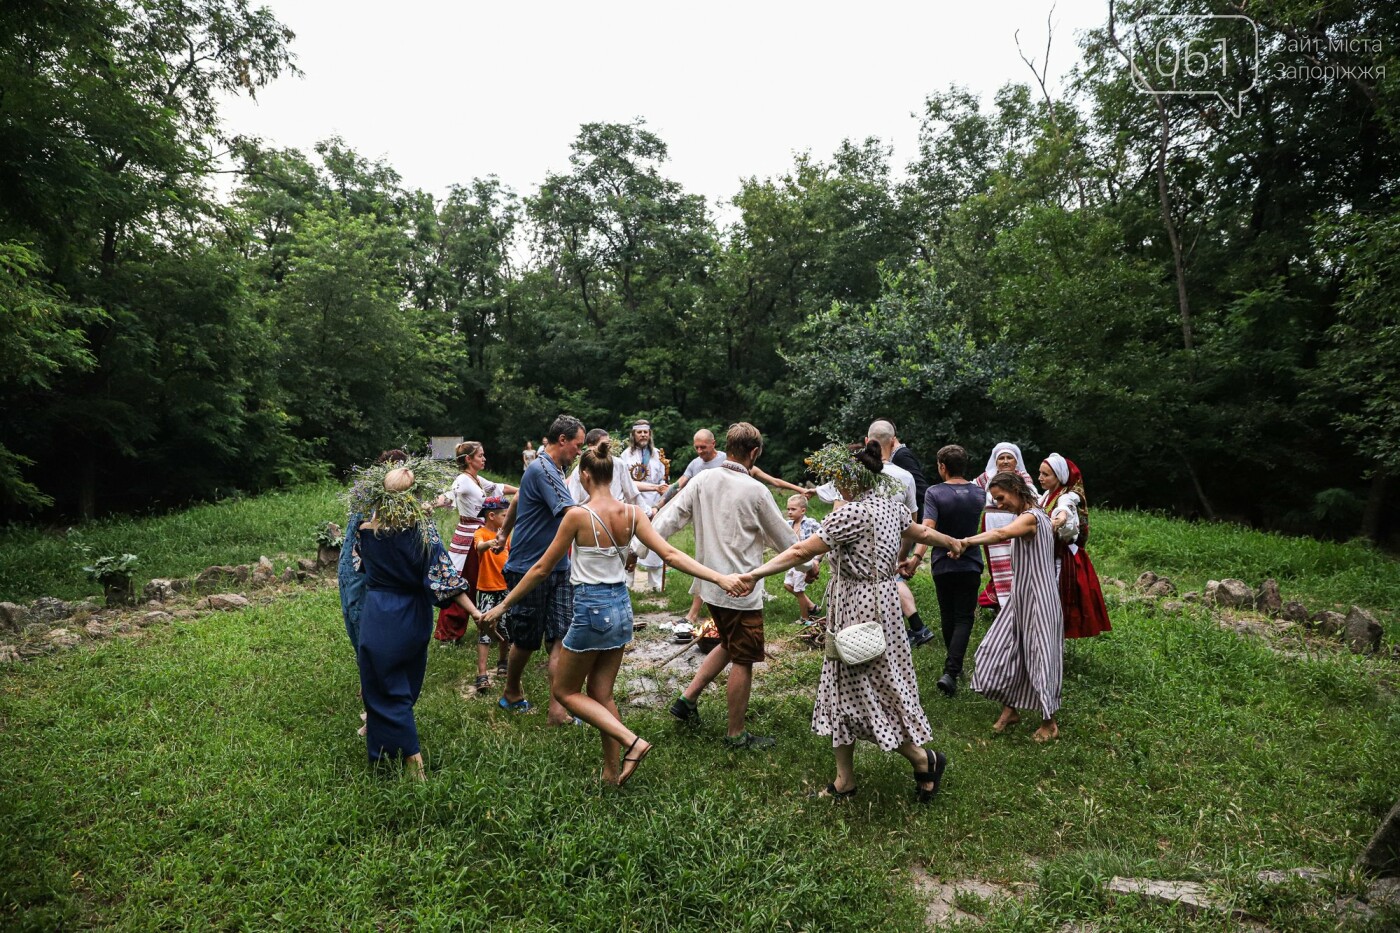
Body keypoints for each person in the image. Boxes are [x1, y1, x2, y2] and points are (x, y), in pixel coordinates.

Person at [483, 440, 745, 785]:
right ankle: (610, 772)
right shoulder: (633, 514)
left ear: (587, 475)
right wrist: (719, 577)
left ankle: (631, 740)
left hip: (591, 609)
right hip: (621, 608)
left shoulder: (578, 515)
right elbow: (670, 554)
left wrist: (503, 604)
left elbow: (542, 569)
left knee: (565, 692)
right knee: (601, 694)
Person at [737, 441, 960, 800]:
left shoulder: (850, 514)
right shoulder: (890, 506)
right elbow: (919, 532)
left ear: (848, 480)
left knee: (866, 685)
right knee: (844, 685)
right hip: (883, 603)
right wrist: (950, 540)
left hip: (858, 606)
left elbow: (800, 550)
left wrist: (754, 574)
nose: (834, 485)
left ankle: (923, 759)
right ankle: (845, 780)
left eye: (837, 478)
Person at [638, 422, 799, 749]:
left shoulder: (702, 479)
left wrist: (637, 549)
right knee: (743, 658)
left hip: (710, 587)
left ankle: (686, 700)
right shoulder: (756, 490)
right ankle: (736, 734)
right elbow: (785, 538)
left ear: (727, 448)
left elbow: (668, 518)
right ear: (754, 452)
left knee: (728, 642)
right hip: (741, 589)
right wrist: (810, 563)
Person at [353, 463, 482, 778]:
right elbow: (445, 579)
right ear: (413, 497)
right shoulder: (423, 532)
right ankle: (409, 761)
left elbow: (360, 568)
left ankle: (399, 754)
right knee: (403, 688)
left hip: (378, 613)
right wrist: (477, 613)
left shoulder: (364, 531)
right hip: (412, 614)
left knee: (382, 686)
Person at [489, 415, 586, 724]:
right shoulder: (543, 469)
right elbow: (571, 513)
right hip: (528, 568)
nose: (579, 452)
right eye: (577, 445)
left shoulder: (553, 468)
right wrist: (612, 520)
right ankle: (512, 691)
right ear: (562, 441)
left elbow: (517, 496)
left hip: (558, 567)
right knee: (527, 641)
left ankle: (558, 711)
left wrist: (503, 531)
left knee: (560, 636)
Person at [958, 471, 1063, 742]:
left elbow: (1001, 533)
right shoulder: (1029, 515)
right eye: (995, 499)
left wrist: (966, 541)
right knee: (1002, 648)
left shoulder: (1031, 518)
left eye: (1001, 497)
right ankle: (1010, 709)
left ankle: (1049, 722)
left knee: (1040, 657)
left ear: (1016, 489)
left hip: (1040, 599)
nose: (999, 504)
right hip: (1021, 598)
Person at [901, 444, 985, 697]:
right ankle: (953, 669)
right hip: (970, 561)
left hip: (942, 563)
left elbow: (927, 528)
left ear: (942, 467)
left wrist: (916, 558)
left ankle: (952, 669)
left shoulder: (935, 493)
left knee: (949, 614)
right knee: (964, 617)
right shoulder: (979, 493)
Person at [339, 448, 409, 736]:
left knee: (370, 640)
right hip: (360, 577)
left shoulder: (385, 502)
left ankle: (373, 694)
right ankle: (374, 705)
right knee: (367, 638)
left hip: (361, 577)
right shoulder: (375, 504)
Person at [432, 442, 517, 645]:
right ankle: (449, 632)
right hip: (469, 538)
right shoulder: (462, 480)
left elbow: (497, 487)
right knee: (463, 582)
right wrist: (431, 504)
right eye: (480, 455)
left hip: (479, 534)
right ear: (469, 459)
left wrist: (523, 490)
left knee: (488, 578)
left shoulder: (476, 479)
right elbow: (450, 494)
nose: (484, 458)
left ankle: (494, 622)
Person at [867, 420, 935, 647]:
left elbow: (837, 517)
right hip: (891, 546)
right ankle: (910, 630)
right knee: (892, 582)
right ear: (893, 441)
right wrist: (903, 556)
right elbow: (911, 528)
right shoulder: (905, 477)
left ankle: (877, 637)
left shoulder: (853, 473)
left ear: (868, 442)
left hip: (859, 552)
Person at [1038, 454, 1112, 639]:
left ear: (1059, 477)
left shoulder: (1067, 498)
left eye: (1045, 474)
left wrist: (1058, 521)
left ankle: (1053, 647)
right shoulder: (1045, 496)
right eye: (1040, 473)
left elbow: (1064, 513)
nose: (1040, 478)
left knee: (1057, 604)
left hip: (1062, 559)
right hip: (1047, 556)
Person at [973, 443, 1039, 612]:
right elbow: (972, 490)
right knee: (996, 563)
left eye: (1009, 457)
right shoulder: (988, 477)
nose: (1005, 461)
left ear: (1016, 461)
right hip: (992, 521)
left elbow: (1033, 496)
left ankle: (1014, 599)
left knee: (1014, 560)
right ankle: (999, 602)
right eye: (1001, 458)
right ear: (995, 461)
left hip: (1015, 521)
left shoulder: (1022, 477)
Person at [618, 420, 670, 592]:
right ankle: (627, 583)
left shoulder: (658, 455)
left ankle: (655, 585)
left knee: (655, 539)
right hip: (634, 502)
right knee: (630, 541)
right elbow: (626, 483)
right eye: (639, 432)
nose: (643, 435)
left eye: (645, 432)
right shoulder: (625, 456)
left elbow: (662, 479)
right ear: (633, 434)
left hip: (654, 503)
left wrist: (664, 486)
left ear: (650, 434)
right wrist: (655, 486)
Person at [468, 496, 513, 693]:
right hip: (486, 589)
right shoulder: (481, 533)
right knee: (485, 629)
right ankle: (482, 673)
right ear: (492, 515)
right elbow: (478, 547)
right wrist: (494, 542)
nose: (508, 517)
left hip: (506, 588)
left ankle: (503, 662)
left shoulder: (509, 535)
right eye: (505, 515)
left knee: (505, 627)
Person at [567, 428, 644, 507]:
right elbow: (573, 499)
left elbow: (632, 493)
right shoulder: (580, 469)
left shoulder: (618, 464)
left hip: (617, 512)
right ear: (590, 447)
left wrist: (647, 512)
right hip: (590, 514)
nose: (607, 448)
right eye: (603, 445)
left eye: (608, 444)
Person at [782, 494, 824, 622]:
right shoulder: (788, 524)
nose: (789, 512)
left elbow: (825, 537)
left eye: (793, 509)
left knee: (799, 590)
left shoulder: (810, 523)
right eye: (788, 509)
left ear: (803, 510)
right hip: (792, 561)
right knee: (788, 585)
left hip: (806, 561)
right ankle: (812, 607)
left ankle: (805, 619)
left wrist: (817, 559)